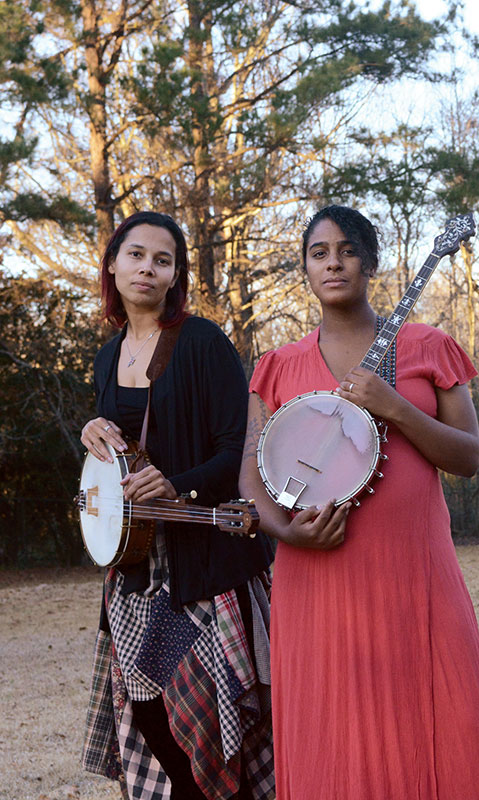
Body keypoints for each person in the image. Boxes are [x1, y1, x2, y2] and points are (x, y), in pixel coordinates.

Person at [238, 205, 479, 799]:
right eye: (319, 253)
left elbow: (469, 457)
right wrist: (288, 534)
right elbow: (250, 476)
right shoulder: (276, 367)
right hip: (315, 573)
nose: (334, 262)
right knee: (332, 729)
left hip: (414, 570)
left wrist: (395, 406)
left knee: (450, 717)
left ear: (370, 262)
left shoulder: (427, 346)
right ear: (305, 269)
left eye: (347, 250)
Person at [79, 211, 275, 800]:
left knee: (211, 726)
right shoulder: (106, 359)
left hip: (203, 568)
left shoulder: (202, 342)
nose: (147, 267)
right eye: (136, 254)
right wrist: (93, 432)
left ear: (175, 276)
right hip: (136, 571)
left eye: (162, 260)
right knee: (150, 718)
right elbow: (118, 459)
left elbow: (240, 447)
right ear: (113, 265)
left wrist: (177, 485)